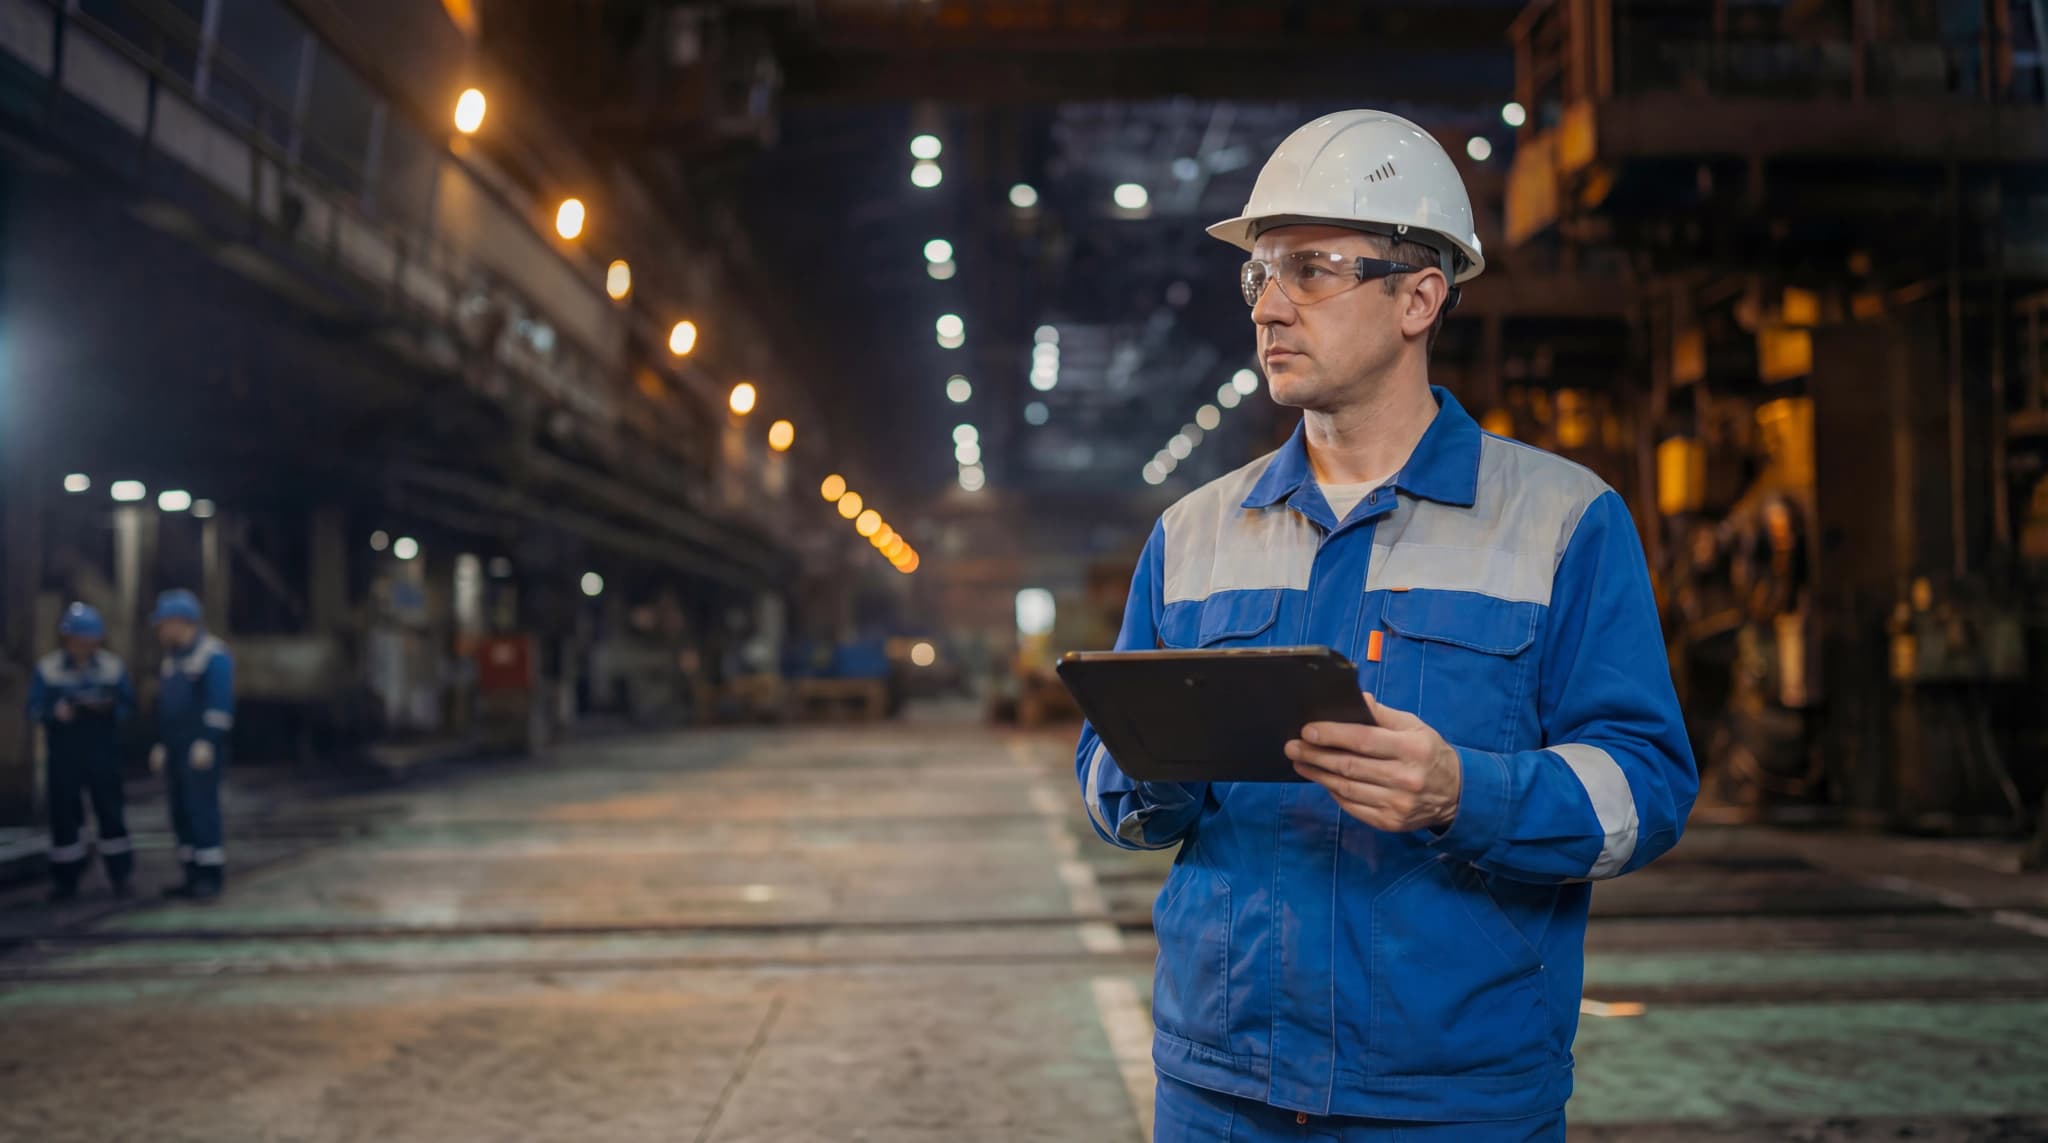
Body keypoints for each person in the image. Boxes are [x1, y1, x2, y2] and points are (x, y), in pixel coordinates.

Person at [1073, 111, 1698, 1140]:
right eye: (1258, 275)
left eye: (1311, 269)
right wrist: (1146, 773)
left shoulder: (1558, 521)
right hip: (1222, 1090)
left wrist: (1467, 791)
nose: (1269, 306)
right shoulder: (1190, 535)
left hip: (1451, 1099)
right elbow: (1108, 784)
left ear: (1418, 297)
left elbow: (1645, 789)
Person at [26, 603, 136, 901]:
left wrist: (108, 708)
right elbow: (33, 708)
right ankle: (66, 881)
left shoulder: (113, 667)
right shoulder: (48, 669)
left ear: (98, 640)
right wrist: (54, 713)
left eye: (89, 641)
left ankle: (121, 875)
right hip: (64, 752)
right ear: (67, 639)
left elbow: (128, 706)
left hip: (103, 749)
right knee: (64, 814)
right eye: (78, 641)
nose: (83, 647)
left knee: (110, 810)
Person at [147, 588, 235, 901]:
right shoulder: (172, 660)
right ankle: (191, 873)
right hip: (176, 747)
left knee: (201, 808)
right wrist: (161, 742)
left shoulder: (212, 655)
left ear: (182, 622)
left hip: (200, 749)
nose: (160, 630)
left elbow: (220, 704)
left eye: (164, 624)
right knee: (180, 811)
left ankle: (210, 875)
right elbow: (167, 707)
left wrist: (208, 741)